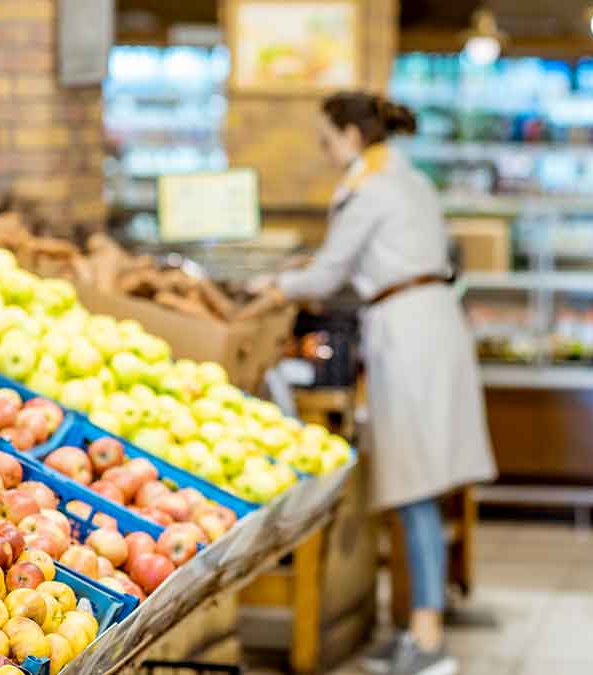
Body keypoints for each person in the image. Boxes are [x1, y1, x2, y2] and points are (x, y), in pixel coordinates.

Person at [253, 92, 498, 675]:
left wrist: (274, 287)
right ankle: (419, 626)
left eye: (326, 138)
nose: (323, 150)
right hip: (428, 328)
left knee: (415, 490)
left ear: (351, 137)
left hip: (409, 338)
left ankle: (426, 639)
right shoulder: (405, 177)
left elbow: (331, 272)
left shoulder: (369, 189)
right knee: (422, 486)